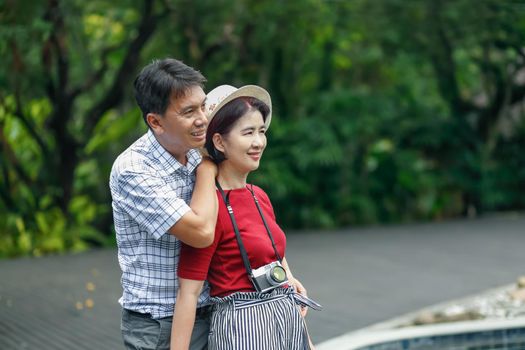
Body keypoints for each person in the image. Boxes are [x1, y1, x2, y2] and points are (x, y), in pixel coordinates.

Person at [171, 85, 317, 349]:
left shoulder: (258, 195)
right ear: (219, 142)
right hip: (242, 329)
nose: (258, 142)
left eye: (261, 131)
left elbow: (277, 259)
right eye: (248, 132)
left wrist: (308, 342)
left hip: (286, 318)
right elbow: (188, 294)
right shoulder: (209, 208)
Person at [109, 58, 219, 350]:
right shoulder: (134, 169)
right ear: (155, 122)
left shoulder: (196, 152)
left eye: (203, 106)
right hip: (158, 325)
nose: (202, 119)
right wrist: (209, 169)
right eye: (188, 112)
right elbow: (201, 232)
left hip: (211, 312)